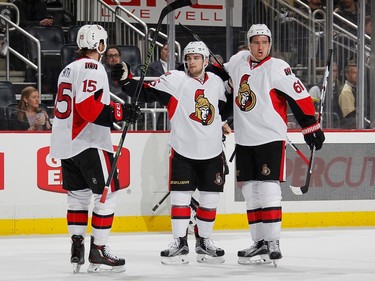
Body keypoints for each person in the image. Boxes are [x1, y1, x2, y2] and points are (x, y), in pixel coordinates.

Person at [113, 41, 231, 264]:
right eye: (188, 57)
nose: (191, 61)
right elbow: (145, 93)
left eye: (196, 57)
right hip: (183, 150)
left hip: (213, 151)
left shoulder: (216, 82)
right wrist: (126, 79)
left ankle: (204, 242)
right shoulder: (174, 80)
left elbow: (225, 108)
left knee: (210, 198)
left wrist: (231, 83)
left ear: (205, 61)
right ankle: (179, 242)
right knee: (180, 198)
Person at [222, 24, 325, 265]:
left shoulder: (278, 68)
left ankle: (273, 241)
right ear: (249, 44)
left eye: (264, 42)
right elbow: (223, 80)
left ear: (270, 44)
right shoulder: (237, 61)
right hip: (244, 139)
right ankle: (259, 243)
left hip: (269, 138)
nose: (260, 47)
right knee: (250, 191)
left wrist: (310, 126)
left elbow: (298, 96)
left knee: (268, 189)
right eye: (256, 42)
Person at [49, 24, 140, 274]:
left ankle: (77, 246)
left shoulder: (69, 68)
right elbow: (88, 108)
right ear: (100, 45)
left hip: (66, 144)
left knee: (78, 196)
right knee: (107, 193)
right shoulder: (93, 66)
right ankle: (98, 250)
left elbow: (83, 96)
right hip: (88, 141)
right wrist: (120, 112)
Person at [309, 62, 342, 128]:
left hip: (338, 125)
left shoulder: (340, 89)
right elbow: (309, 110)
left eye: (335, 71)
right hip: (320, 125)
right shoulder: (315, 90)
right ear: (324, 73)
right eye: (330, 71)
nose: (332, 74)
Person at [338, 61, 357, 128]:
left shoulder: (357, 89)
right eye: (354, 73)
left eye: (358, 73)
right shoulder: (346, 91)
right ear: (347, 75)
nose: (357, 75)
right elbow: (350, 117)